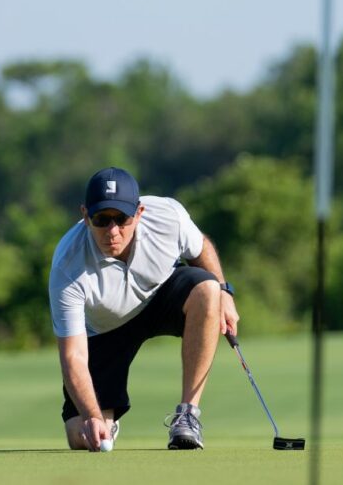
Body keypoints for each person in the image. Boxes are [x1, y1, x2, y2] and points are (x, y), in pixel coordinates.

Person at [49, 166, 239, 451]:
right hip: (104, 331)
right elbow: (73, 355)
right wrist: (91, 416)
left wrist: (224, 292)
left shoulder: (168, 217)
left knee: (207, 288)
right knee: (84, 437)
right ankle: (106, 421)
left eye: (122, 219)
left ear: (139, 213)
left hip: (161, 299)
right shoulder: (68, 265)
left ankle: (188, 415)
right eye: (101, 219)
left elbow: (201, 250)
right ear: (85, 216)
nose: (112, 231)